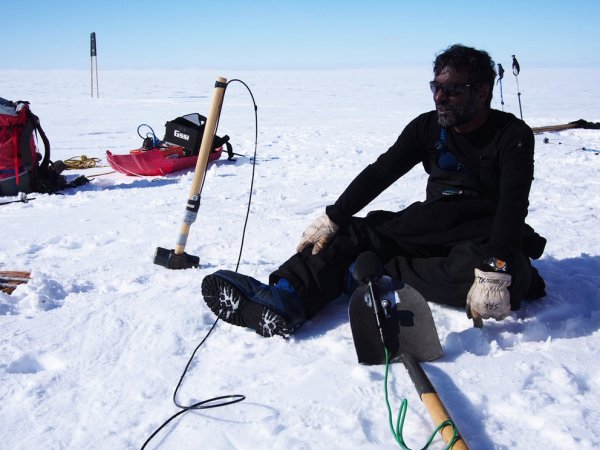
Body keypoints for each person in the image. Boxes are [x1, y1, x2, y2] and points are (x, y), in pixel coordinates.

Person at [201, 44, 547, 338]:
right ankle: (287, 298)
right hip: (433, 222)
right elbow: (382, 171)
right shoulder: (427, 127)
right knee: (347, 234)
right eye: (435, 87)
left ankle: (374, 270)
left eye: (453, 90)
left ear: (483, 91)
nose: (440, 97)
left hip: (485, 233)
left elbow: (513, 206)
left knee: (508, 281)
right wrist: (334, 216)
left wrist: (496, 267)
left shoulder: (512, 136)